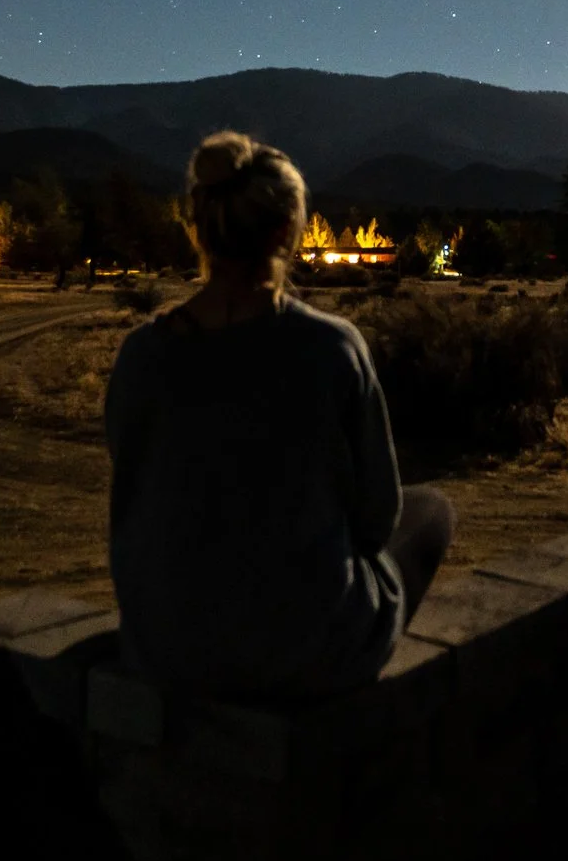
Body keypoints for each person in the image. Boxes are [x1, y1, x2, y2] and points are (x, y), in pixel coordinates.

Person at [104, 130, 454, 701]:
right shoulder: (330, 348)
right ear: (288, 231)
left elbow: (137, 484)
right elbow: (378, 518)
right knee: (432, 512)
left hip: (165, 647)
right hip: (306, 649)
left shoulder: (142, 356)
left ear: (199, 227)